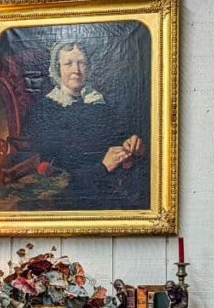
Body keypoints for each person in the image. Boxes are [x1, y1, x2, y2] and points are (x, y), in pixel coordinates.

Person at [19, 39, 149, 210]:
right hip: (66, 201)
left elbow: (120, 141)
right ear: (57, 69)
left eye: (82, 63)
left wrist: (132, 147)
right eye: (68, 63)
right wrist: (102, 168)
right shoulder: (41, 111)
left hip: (108, 193)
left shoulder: (101, 104)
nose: (76, 70)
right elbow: (47, 176)